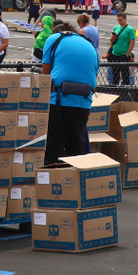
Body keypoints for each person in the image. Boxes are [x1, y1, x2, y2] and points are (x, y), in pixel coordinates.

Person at [41, 19, 99, 165]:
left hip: (59, 99)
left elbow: (44, 76)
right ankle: (75, 181)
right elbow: (93, 74)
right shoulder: (89, 43)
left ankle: (53, 179)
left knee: (54, 146)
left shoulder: (54, 39)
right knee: (77, 148)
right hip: (83, 102)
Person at [106, 11, 135, 86]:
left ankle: (125, 92)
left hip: (123, 54)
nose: (119, 22)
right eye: (118, 20)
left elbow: (132, 43)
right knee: (115, 75)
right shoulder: (116, 27)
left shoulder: (130, 29)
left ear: (125, 19)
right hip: (115, 53)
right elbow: (111, 42)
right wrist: (112, 38)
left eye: (121, 20)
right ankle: (115, 90)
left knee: (125, 75)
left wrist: (127, 54)